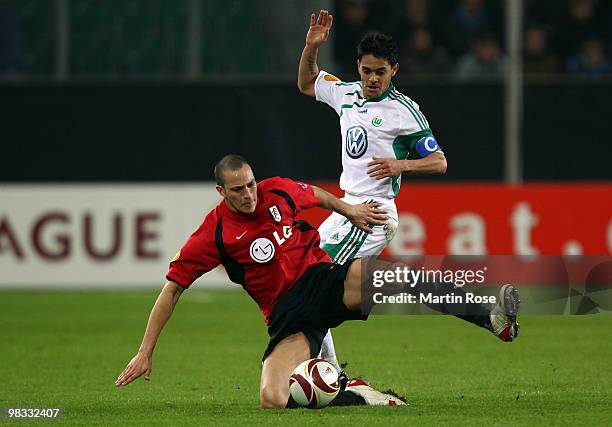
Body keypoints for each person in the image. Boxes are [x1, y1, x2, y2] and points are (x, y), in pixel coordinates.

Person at [115, 155, 520, 409]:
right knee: (272, 399)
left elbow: (318, 196)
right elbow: (173, 289)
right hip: (287, 315)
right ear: (221, 191)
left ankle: (491, 317)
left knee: (400, 276)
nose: (249, 195)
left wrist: (352, 211)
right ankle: (353, 393)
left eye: (251, 184)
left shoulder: (277, 191)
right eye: (237, 190)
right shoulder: (214, 234)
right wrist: (144, 351)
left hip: (322, 280)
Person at [297, 10, 447, 372]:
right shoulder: (346, 93)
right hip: (345, 210)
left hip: (374, 213)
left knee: (317, 282)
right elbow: (306, 83)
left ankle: (323, 368)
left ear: (394, 70)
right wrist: (311, 48)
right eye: (367, 71)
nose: (372, 79)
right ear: (358, 67)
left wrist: (401, 165)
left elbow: (439, 162)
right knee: (304, 276)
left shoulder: (405, 112)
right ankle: (329, 370)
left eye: (381, 71)